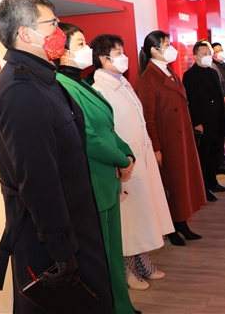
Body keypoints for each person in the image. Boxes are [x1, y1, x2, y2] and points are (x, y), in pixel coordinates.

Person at [0, 0, 113, 313]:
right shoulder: (21, 90)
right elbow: (37, 178)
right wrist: (61, 248)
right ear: (25, 34)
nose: (60, 32)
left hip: (71, 223)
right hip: (49, 237)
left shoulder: (43, 79)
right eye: (52, 24)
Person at [55, 22, 138, 314]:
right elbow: (88, 136)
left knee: (112, 253)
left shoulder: (81, 83)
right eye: (80, 44)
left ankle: (122, 306)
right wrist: (121, 160)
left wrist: (127, 153)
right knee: (100, 256)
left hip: (107, 179)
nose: (87, 49)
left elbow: (107, 127)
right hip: (93, 181)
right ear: (62, 51)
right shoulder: (61, 86)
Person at [90, 34, 174, 290]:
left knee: (142, 216)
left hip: (139, 160)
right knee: (128, 221)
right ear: (104, 58)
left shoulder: (123, 82)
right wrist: (119, 161)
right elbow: (107, 133)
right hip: (123, 165)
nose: (124, 57)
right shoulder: (100, 89)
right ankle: (127, 270)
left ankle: (142, 262)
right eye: (118, 53)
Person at [136, 30, 206, 246]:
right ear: (153, 50)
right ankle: (171, 227)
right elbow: (148, 118)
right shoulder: (148, 78)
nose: (171, 48)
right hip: (167, 142)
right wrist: (156, 148)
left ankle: (182, 222)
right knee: (172, 186)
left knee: (182, 185)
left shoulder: (169, 72)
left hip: (181, 139)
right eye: (166, 44)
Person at [183, 41, 225, 201]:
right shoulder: (190, 76)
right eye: (203, 54)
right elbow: (191, 102)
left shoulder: (213, 72)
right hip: (203, 123)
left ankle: (213, 182)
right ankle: (204, 188)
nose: (207, 56)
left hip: (217, 121)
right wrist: (197, 123)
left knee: (214, 155)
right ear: (196, 56)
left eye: (209, 54)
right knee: (203, 157)